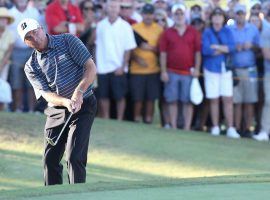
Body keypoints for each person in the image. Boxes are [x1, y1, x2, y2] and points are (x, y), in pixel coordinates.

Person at [17, 18, 97, 185]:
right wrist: (66, 102)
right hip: (57, 110)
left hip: (84, 104)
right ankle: (53, 195)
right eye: (29, 37)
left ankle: (77, 196)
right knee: (50, 160)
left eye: (35, 31)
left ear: (42, 28)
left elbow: (90, 67)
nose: (35, 37)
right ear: (26, 43)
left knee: (75, 157)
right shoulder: (31, 66)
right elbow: (46, 94)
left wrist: (78, 92)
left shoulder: (68, 40)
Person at [159, 3, 201, 130]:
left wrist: (197, 68)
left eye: (181, 13)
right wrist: (163, 71)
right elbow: (163, 54)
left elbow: (197, 52)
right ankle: (174, 126)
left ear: (185, 14)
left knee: (187, 101)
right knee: (172, 100)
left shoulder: (193, 32)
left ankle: (187, 127)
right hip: (171, 72)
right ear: (173, 15)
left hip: (188, 72)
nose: (179, 16)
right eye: (176, 13)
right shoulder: (167, 33)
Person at [95, 0, 136, 120]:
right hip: (102, 67)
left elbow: (129, 49)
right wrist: (96, 65)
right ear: (106, 8)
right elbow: (96, 45)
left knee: (120, 96)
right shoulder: (100, 25)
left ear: (119, 9)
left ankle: (119, 119)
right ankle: (106, 118)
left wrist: (123, 66)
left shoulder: (125, 26)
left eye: (115, 7)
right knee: (103, 95)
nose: (113, 9)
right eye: (110, 6)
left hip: (118, 67)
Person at [202, 7, 240, 138]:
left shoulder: (227, 31)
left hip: (225, 69)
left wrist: (217, 47)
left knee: (227, 99)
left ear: (223, 18)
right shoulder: (207, 32)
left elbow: (232, 48)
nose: (217, 18)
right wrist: (223, 49)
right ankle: (215, 126)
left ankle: (230, 128)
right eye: (215, 16)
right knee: (213, 99)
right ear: (211, 18)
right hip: (211, 68)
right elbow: (206, 50)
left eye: (219, 16)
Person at [229, 4, 260, 137]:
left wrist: (251, 46)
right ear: (234, 15)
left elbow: (259, 50)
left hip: (250, 69)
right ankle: (236, 128)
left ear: (245, 14)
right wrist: (235, 47)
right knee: (237, 101)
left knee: (249, 101)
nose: (240, 16)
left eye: (242, 13)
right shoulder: (229, 29)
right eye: (238, 13)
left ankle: (247, 128)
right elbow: (226, 47)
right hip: (235, 70)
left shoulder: (253, 29)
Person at [130, 3, 163, 123]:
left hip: (153, 69)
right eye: (146, 14)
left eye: (150, 14)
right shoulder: (135, 28)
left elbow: (162, 48)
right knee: (137, 98)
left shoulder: (159, 29)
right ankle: (136, 119)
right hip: (137, 69)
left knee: (151, 98)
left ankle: (148, 120)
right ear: (142, 14)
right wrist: (137, 58)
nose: (148, 16)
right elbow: (130, 47)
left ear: (154, 15)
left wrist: (151, 49)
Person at [0, 7, 14, 111]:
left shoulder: (10, 34)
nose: (3, 21)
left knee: (2, 85)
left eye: (5, 19)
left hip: (4, 64)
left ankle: (2, 108)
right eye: (1, 18)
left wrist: (1, 66)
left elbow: (8, 52)